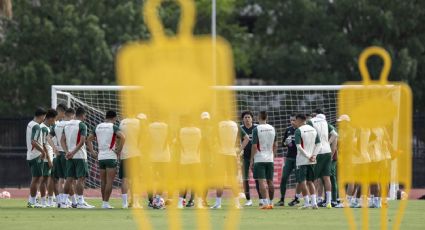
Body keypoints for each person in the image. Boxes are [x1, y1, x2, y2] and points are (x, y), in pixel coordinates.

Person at [87, 110, 125, 209]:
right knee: (109, 182)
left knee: (103, 182)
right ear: (114, 118)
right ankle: (105, 203)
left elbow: (88, 139)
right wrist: (119, 150)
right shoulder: (113, 127)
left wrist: (92, 152)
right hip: (110, 156)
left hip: (101, 157)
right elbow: (123, 137)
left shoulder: (98, 126)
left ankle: (104, 202)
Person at [211, 118, 249, 209]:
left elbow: (211, 139)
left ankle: (218, 203)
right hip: (232, 155)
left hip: (221, 155)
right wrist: (239, 151)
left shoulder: (218, 124)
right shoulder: (235, 125)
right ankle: (237, 204)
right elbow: (247, 138)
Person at [61, 107, 94, 209]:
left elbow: (62, 140)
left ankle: (63, 202)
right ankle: (80, 202)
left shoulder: (66, 124)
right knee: (81, 179)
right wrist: (73, 152)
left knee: (69, 179)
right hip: (79, 155)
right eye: (85, 116)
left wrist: (67, 152)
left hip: (70, 156)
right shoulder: (82, 125)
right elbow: (83, 141)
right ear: (83, 115)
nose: (85, 118)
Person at [308, 109, 338, 208]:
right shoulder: (326, 123)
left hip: (317, 151)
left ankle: (314, 201)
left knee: (313, 178)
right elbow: (335, 134)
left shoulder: (311, 122)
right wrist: (328, 143)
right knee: (326, 177)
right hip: (327, 151)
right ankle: (328, 202)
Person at [250, 111, 277, 210]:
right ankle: (271, 202)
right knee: (270, 181)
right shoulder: (272, 128)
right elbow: (276, 145)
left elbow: (254, 146)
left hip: (259, 158)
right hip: (270, 158)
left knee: (261, 181)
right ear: (267, 117)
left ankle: (265, 203)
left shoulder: (256, 129)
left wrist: (252, 159)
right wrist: (272, 155)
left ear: (258, 117)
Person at [294, 113, 321, 209]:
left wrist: (308, 156)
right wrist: (314, 155)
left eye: (295, 120)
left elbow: (298, 146)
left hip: (302, 160)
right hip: (312, 160)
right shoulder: (313, 129)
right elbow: (319, 144)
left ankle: (306, 203)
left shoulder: (298, 131)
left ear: (300, 120)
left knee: (302, 182)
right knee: (310, 182)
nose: (294, 122)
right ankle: (314, 203)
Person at [177, 115, 204, 209]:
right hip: (196, 159)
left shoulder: (182, 130)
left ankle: (180, 203)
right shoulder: (198, 130)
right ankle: (199, 203)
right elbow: (200, 144)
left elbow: (179, 143)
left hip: (184, 159)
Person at [118, 114, 144, 208]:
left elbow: (119, 137)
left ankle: (125, 203)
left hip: (124, 153)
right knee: (135, 179)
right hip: (136, 153)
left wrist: (119, 151)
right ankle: (135, 202)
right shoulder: (138, 122)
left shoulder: (122, 122)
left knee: (125, 178)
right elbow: (143, 137)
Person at [276, 114, 302, 207]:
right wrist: (287, 143)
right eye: (291, 120)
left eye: (294, 120)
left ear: (298, 120)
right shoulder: (288, 130)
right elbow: (283, 143)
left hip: (299, 158)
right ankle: (282, 199)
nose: (292, 122)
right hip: (289, 158)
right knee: (284, 178)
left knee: (299, 180)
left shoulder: (302, 130)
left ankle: (296, 198)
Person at [239, 110, 262, 206]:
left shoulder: (257, 128)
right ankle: (248, 200)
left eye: (249, 117)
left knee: (258, 178)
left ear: (252, 118)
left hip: (256, 157)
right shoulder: (240, 128)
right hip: (244, 157)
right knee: (245, 179)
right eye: (245, 117)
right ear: (243, 120)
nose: (247, 119)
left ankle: (261, 199)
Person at [26, 107, 48, 208]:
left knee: (36, 179)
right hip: (35, 156)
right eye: (44, 116)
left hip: (30, 155)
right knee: (36, 179)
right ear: (42, 116)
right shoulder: (37, 127)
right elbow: (33, 141)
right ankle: (32, 202)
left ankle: (32, 200)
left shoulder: (30, 124)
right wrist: (43, 151)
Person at [39, 109, 58, 207]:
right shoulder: (43, 128)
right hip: (46, 158)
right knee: (44, 179)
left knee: (49, 179)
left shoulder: (47, 127)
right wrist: (49, 159)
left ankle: (50, 200)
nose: (55, 121)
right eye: (54, 119)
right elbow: (42, 144)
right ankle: (43, 201)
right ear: (50, 118)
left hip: (50, 156)